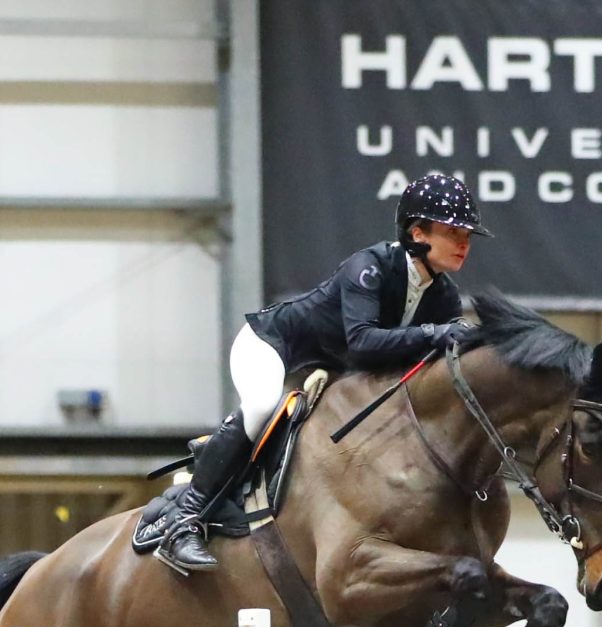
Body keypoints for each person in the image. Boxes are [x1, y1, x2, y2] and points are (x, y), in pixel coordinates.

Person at [157, 172, 492, 574]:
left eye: (467, 235)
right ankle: (184, 520)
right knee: (262, 404)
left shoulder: (444, 296)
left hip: (329, 368)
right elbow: (363, 343)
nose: (464, 243)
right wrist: (434, 333)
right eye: (453, 232)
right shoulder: (368, 268)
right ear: (417, 233)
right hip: (273, 346)